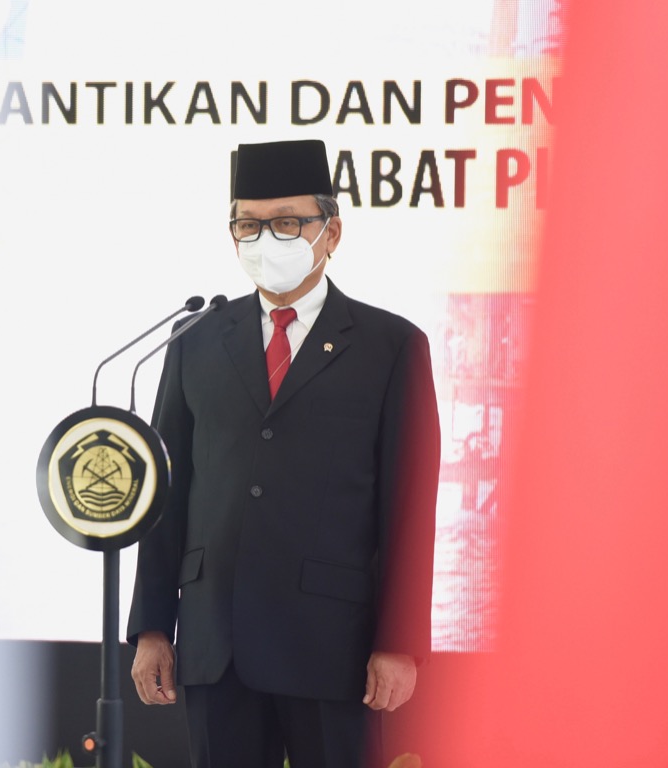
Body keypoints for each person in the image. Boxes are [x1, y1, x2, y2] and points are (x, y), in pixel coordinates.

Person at [127, 139, 441, 768]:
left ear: (331, 232)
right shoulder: (195, 341)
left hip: (332, 648)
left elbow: (409, 507)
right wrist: (153, 627)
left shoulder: (390, 346)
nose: (266, 238)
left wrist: (400, 641)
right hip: (216, 643)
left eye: (288, 222)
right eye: (249, 223)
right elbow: (168, 492)